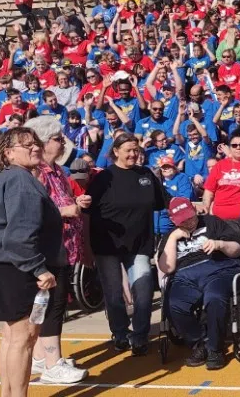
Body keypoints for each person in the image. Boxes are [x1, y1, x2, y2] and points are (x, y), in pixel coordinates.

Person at [0, 127, 64, 397]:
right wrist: (39, 268)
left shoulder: (10, 177)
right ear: (9, 153)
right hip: (16, 267)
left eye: (36, 143)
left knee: (12, 336)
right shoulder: (20, 181)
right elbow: (19, 236)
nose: (35, 148)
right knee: (23, 338)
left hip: (3, 265)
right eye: (27, 145)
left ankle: (8, 393)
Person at [87, 132, 169, 355]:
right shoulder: (104, 178)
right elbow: (87, 207)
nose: (133, 154)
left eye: (136, 150)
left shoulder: (146, 175)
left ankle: (140, 335)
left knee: (143, 291)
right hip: (108, 246)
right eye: (128, 150)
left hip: (140, 244)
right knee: (113, 294)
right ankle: (120, 333)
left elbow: (165, 201)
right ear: (115, 152)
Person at [23, 116, 90, 383]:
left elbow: (59, 200)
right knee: (53, 303)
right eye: (57, 138)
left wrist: (76, 201)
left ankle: (41, 356)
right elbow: (35, 210)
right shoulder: (36, 172)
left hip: (64, 246)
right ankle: (53, 362)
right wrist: (67, 209)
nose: (62, 143)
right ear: (42, 141)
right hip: (49, 247)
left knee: (46, 303)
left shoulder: (57, 170)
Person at [157, 197, 240, 370]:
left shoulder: (212, 222)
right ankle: (201, 343)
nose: (190, 222)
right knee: (174, 303)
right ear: (173, 221)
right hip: (185, 274)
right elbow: (166, 267)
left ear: (194, 210)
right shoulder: (171, 234)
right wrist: (173, 238)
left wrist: (219, 244)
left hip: (218, 268)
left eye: (191, 217)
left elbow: (238, 249)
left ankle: (215, 349)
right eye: (183, 221)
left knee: (214, 297)